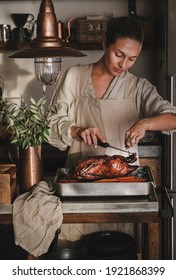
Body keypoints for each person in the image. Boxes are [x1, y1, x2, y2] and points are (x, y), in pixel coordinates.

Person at [47, 17, 176, 246]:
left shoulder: (138, 87)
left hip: (125, 193)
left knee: (120, 253)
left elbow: (172, 118)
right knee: (77, 254)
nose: (123, 64)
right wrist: (76, 130)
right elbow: (51, 123)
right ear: (105, 42)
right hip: (79, 190)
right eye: (119, 54)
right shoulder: (74, 76)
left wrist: (145, 122)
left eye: (132, 59)